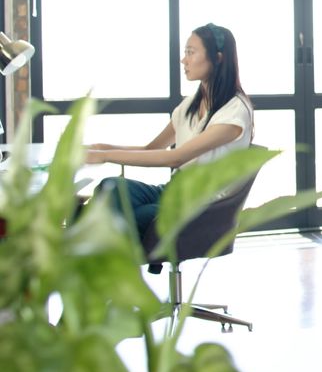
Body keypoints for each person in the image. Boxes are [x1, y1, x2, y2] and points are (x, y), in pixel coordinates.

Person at [86, 23, 253, 237]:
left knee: (134, 217)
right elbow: (151, 148)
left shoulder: (235, 111)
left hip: (204, 207)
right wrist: (100, 147)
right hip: (173, 192)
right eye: (185, 52)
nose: (184, 60)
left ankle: (104, 262)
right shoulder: (191, 104)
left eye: (191, 53)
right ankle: (108, 261)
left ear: (218, 57)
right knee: (111, 188)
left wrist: (105, 156)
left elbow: (175, 158)